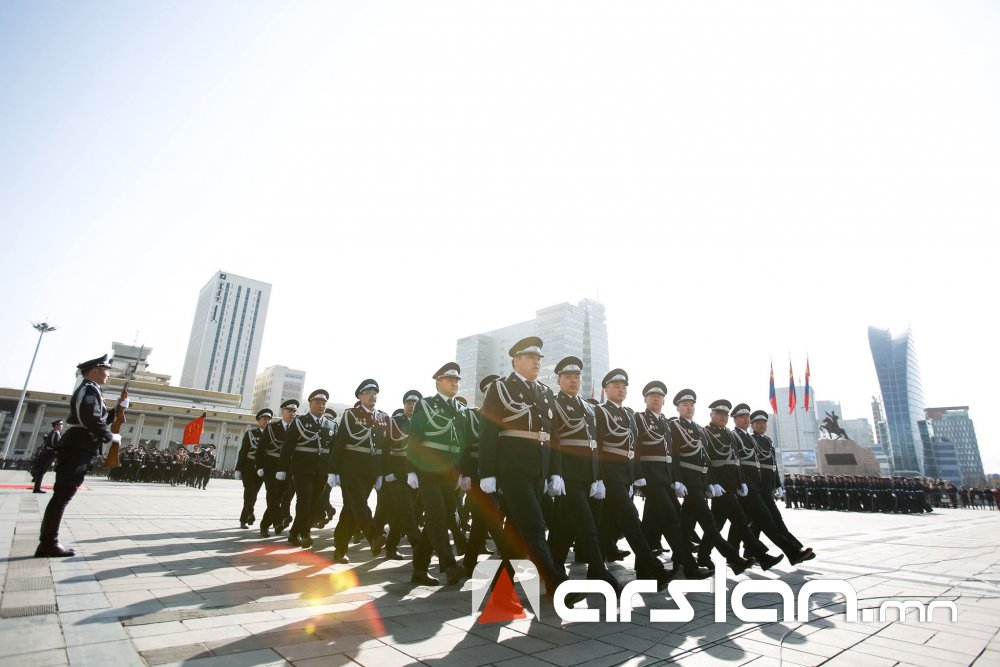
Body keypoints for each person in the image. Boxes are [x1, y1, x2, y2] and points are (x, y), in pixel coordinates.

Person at [479, 338, 584, 606]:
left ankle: (500, 584)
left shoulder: (545, 392)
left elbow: (553, 436)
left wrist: (555, 472)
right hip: (512, 469)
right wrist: (486, 472)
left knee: (518, 531)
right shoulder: (501, 388)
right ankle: (557, 584)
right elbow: (488, 432)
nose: (537, 362)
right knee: (535, 527)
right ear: (516, 361)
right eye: (530, 358)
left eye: (539, 359)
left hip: (538, 470)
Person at [546, 357, 622, 591]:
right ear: (559, 380)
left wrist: (598, 477)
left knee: (565, 526)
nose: (573, 381)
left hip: (588, 475)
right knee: (587, 525)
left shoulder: (589, 408)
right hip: (568, 474)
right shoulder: (553, 404)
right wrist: (555, 473)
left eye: (577, 376)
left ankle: (553, 569)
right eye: (568, 376)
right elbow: (553, 441)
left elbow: (594, 444)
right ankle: (599, 572)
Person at [37, 354, 123, 557]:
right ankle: (48, 543)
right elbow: (90, 417)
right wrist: (110, 436)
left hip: (81, 444)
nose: (108, 375)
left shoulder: (92, 389)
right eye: (106, 371)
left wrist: (116, 409)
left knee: (63, 494)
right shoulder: (89, 389)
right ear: (94, 371)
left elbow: (99, 417)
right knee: (62, 495)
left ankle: (48, 542)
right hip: (78, 445)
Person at [667, 390, 753, 576]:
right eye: (684, 405)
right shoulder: (673, 426)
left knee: (686, 526)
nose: (689, 408)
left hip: (700, 480)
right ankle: (734, 559)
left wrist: (710, 483)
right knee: (709, 524)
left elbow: (706, 459)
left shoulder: (699, 429)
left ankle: (680, 560)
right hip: (688, 480)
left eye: (691, 405)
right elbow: (674, 455)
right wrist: (677, 479)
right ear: (678, 408)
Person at [634, 381, 711, 580]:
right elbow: (636, 448)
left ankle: (642, 568)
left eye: (660, 397)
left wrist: (675, 480)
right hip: (651, 478)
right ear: (645, 399)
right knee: (671, 520)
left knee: (649, 525)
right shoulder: (639, 418)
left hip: (665, 478)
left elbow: (671, 455)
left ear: (664, 401)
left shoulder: (665, 423)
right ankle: (689, 567)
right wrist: (638, 474)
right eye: (652, 396)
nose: (656, 399)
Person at [407, 364, 468, 586]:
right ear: (438, 383)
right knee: (437, 516)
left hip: (450, 472)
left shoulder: (460, 409)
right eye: (449, 380)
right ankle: (450, 566)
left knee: (437, 521)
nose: (454, 383)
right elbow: (414, 437)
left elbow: (463, 445)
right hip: (428, 469)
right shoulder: (426, 404)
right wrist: (411, 470)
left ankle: (419, 570)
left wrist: (462, 473)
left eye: (457, 380)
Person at [331, 380, 389, 563]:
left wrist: (381, 472)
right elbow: (339, 442)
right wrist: (333, 471)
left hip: (371, 470)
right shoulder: (351, 414)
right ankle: (374, 536)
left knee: (351, 509)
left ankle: (340, 549)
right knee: (359, 504)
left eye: (375, 393)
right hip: (351, 468)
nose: (373, 396)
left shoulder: (383, 417)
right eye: (368, 392)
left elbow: (385, 448)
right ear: (360, 396)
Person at [279, 390, 336, 548]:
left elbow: (334, 450)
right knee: (304, 501)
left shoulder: (331, 425)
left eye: (323, 403)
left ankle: (294, 533)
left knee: (314, 502)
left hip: (322, 470)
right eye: (317, 402)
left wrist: (335, 471)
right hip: (302, 469)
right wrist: (282, 468)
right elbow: (287, 446)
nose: (321, 405)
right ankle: (305, 533)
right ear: (310, 404)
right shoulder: (300, 422)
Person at [255, 399, 298, 536]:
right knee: (273, 495)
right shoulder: (272, 427)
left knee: (281, 497)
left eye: (294, 411)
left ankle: (264, 524)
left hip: (289, 467)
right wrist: (259, 466)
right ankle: (278, 521)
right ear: (282, 411)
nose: (292, 413)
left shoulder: (298, 428)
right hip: (272, 465)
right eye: (289, 410)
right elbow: (260, 448)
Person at [236, 409, 271, 528]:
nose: (267, 421)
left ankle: (244, 519)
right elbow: (243, 451)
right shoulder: (250, 434)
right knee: (249, 491)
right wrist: (238, 469)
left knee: (253, 495)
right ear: (258, 421)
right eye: (264, 419)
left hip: (262, 469)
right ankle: (250, 513)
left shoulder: (271, 435)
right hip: (249, 466)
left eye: (268, 419)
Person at [31, 419, 64, 493]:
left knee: (43, 470)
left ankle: (37, 487)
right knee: (42, 470)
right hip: (49, 454)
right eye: (61, 424)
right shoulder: (54, 433)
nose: (62, 426)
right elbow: (53, 444)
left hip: (51, 453)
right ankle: (36, 488)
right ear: (56, 426)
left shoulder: (57, 433)